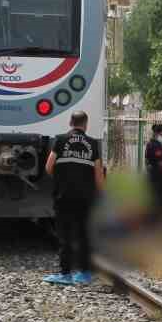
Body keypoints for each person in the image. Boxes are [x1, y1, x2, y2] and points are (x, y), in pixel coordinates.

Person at [44, 110, 104, 285]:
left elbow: (49, 167)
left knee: (65, 235)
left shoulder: (61, 140)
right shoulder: (93, 144)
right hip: (85, 198)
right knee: (84, 234)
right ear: (86, 124)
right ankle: (85, 273)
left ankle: (65, 274)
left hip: (64, 196)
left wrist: (62, 177)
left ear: (70, 123)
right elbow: (98, 175)